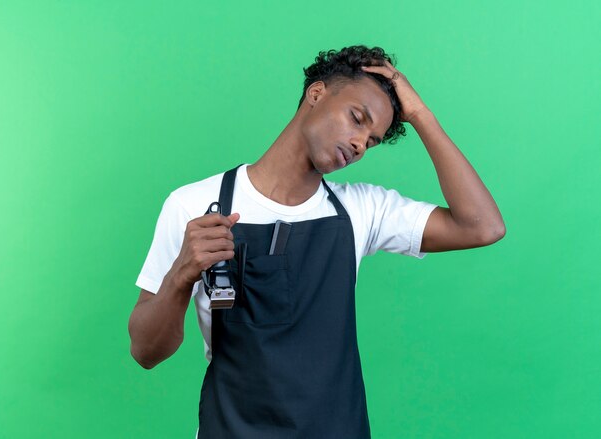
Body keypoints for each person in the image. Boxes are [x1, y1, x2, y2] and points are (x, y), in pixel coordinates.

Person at [128, 45, 505, 438]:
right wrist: (181, 275)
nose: (360, 144)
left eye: (372, 141)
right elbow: (145, 352)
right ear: (316, 94)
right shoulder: (192, 206)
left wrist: (421, 115)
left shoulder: (363, 210)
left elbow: (482, 227)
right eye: (357, 119)